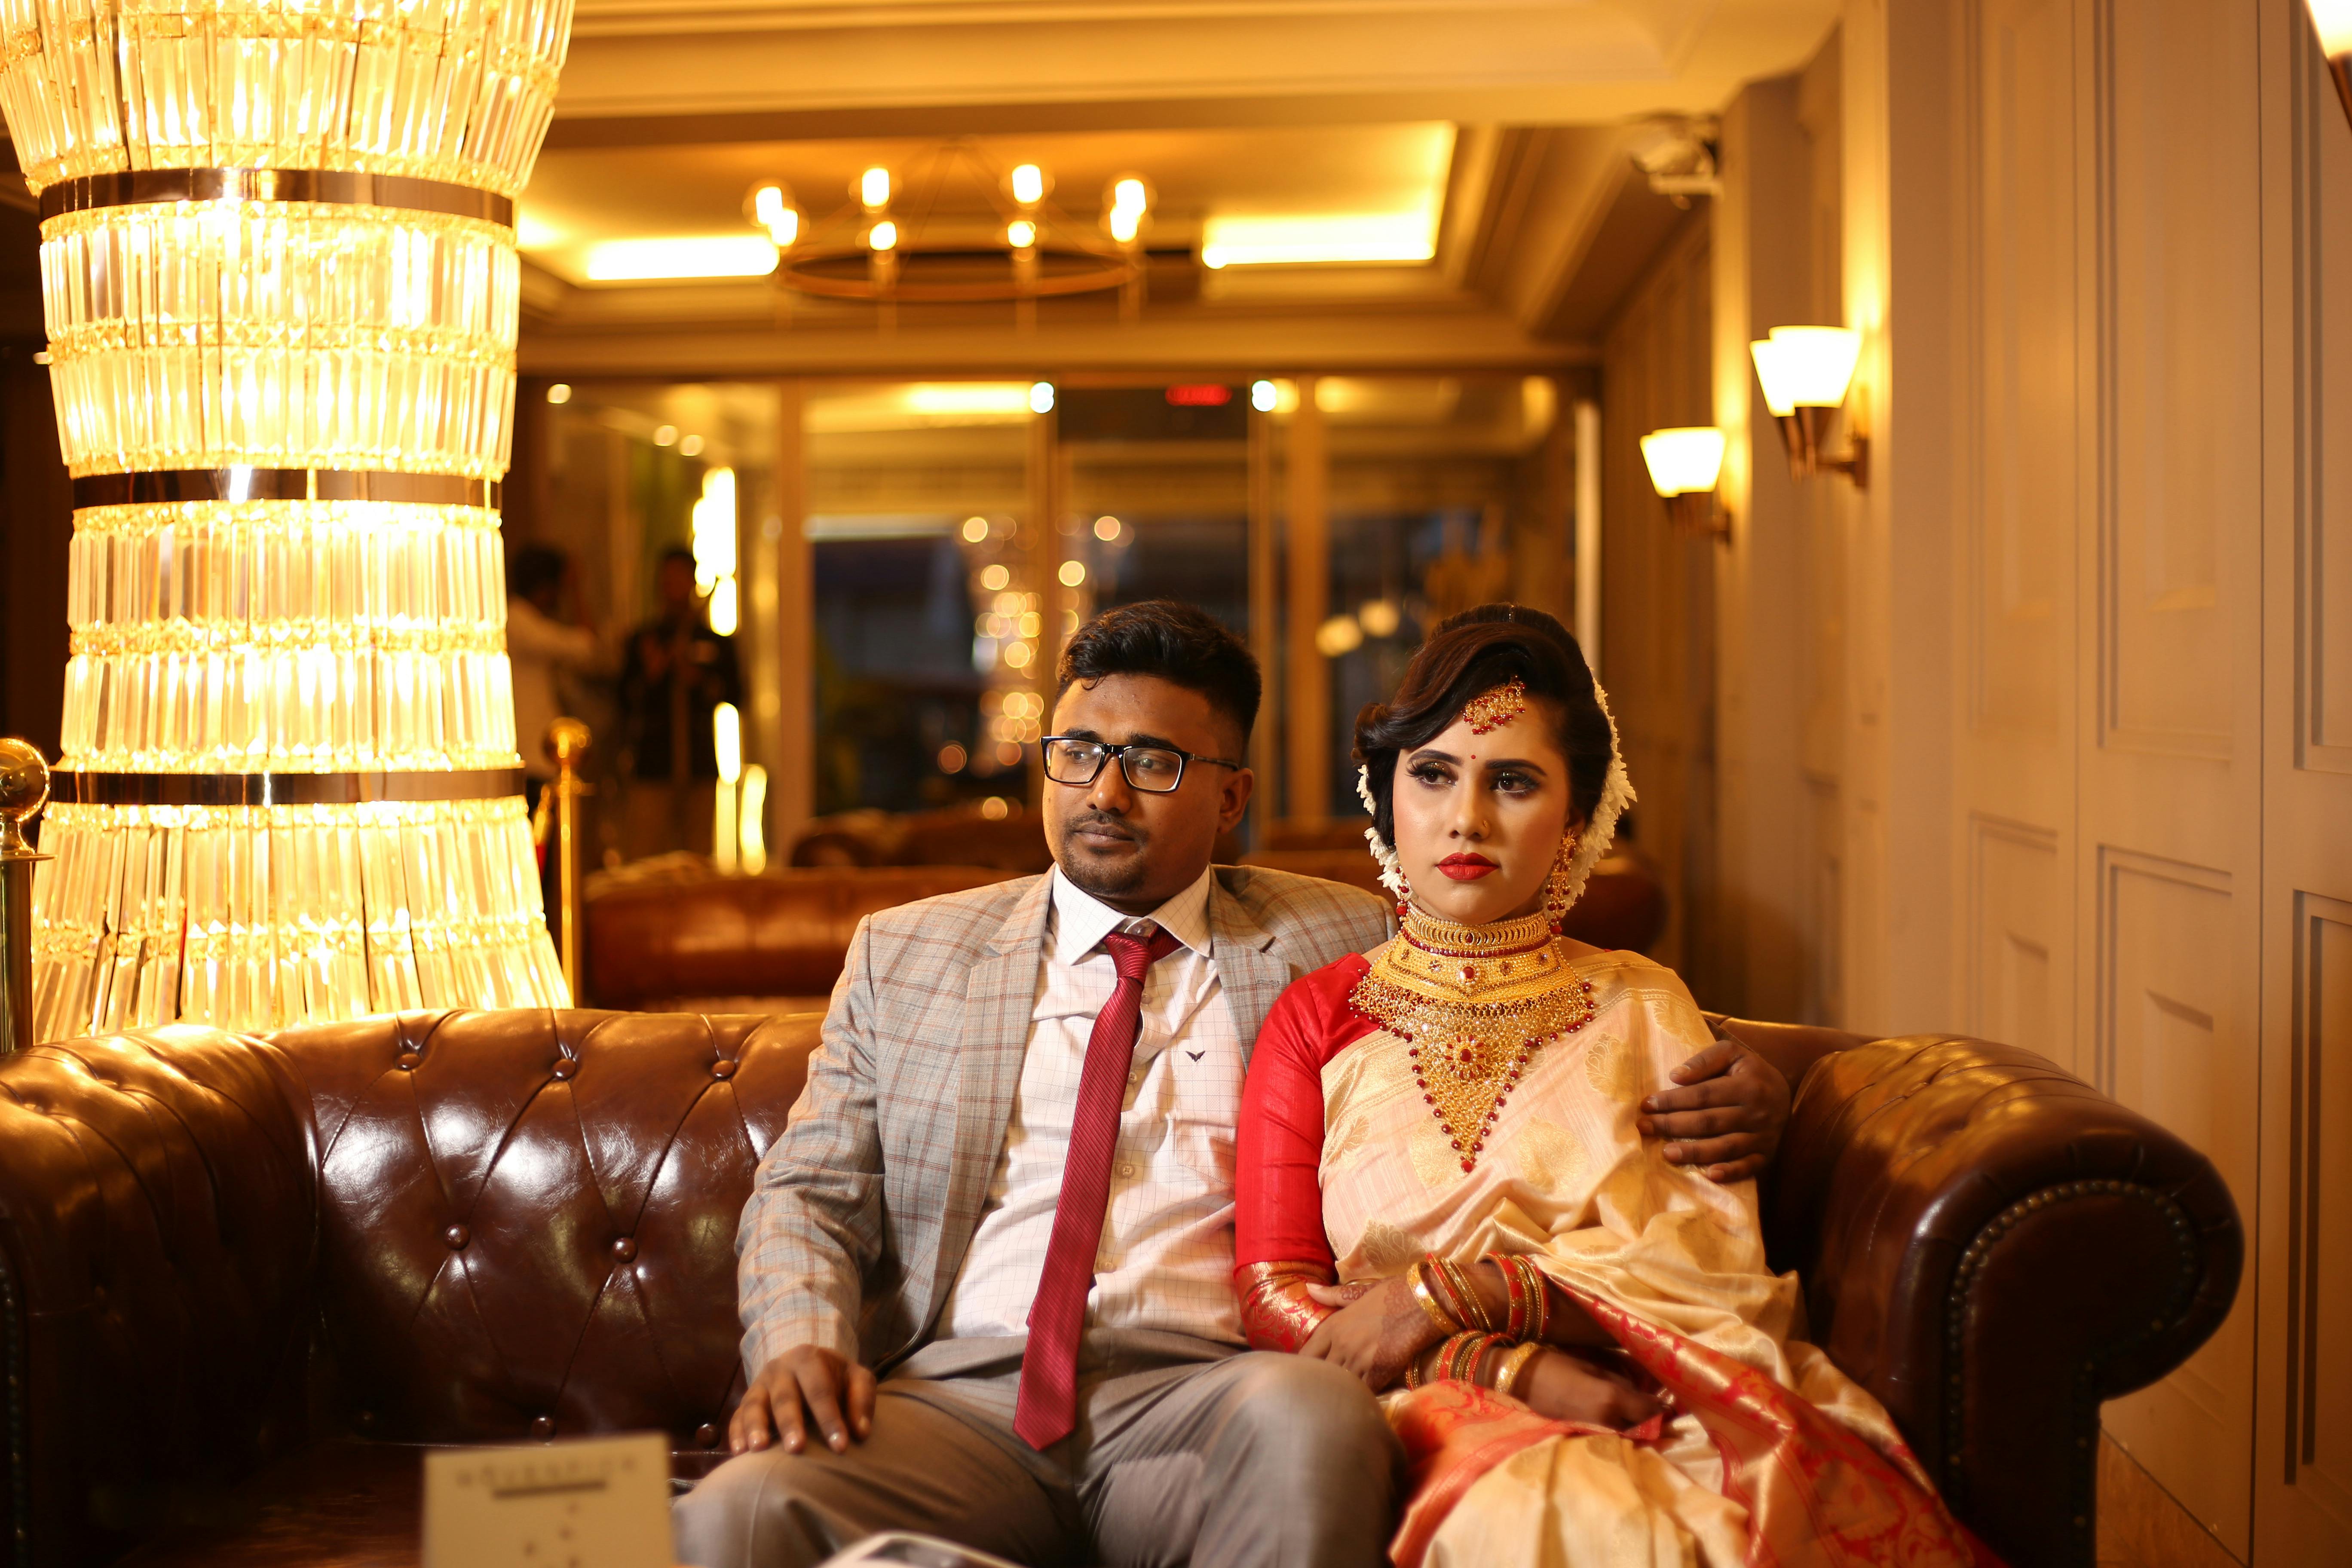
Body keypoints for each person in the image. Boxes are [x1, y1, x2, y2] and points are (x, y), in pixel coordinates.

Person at [674, 601, 1792, 1568]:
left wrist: (1762, 1083)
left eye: (1155, 763)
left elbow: (1540, 996)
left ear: (1232, 797)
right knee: (735, 1512)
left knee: (1317, 1424)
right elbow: (809, 1192)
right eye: (1077, 751)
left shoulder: (1344, 941)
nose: (1106, 791)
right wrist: (801, 1342)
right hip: (956, 1400)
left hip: (1215, 1398)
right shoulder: (909, 954)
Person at [1232, 605, 1987, 1568]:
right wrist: (1502, 1366)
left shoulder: (1640, 1001)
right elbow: (1274, 1292)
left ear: (1577, 820)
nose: (1467, 818)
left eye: (1513, 782)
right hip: (1403, 1406)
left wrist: (1453, 1291)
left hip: (1646, 1385)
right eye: (1432, 774)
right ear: (1384, 798)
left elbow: (1706, 1270)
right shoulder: (1316, 1015)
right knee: (1550, 1517)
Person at [619, 547, 741, 858]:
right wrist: (652, 673)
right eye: (667, 577)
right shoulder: (643, 639)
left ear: (692, 581)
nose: (673, 583)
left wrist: (701, 682)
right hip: (652, 768)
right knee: (646, 855)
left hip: (699, 766)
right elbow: (623, 700)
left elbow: (738, 694)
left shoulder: (715, 643)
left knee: (697, 857)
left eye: (680, 576)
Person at [505, 542, 601, 805]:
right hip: (532, 753)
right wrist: (577, 590)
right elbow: (587, 646)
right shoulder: (520, 623)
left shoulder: (521, 620)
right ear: (547, 587)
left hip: (533, 751)